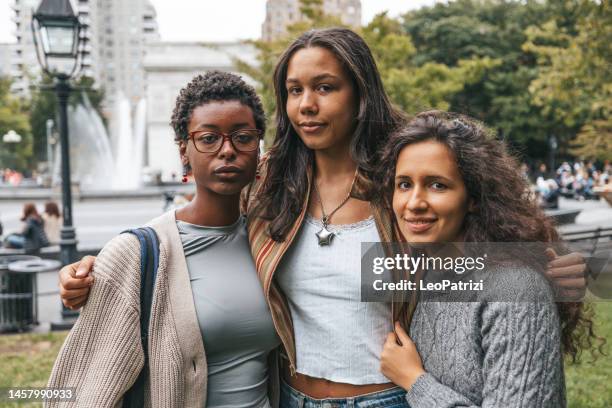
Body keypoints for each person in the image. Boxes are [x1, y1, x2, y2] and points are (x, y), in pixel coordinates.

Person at [57, 28, 588, 406]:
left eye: (325, 87)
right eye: (294, 90)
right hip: (293, 396)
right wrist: (97, 268)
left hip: (390, 397)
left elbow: (472, 248)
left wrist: (544, 269)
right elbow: (196, 223)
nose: (307, 104)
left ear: (360, 94)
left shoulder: (398, 186)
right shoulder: (268, 189)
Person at [47, 71, 280, 407]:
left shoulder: (269, 241)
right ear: (184, 151)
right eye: (209, 138)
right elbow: (80, 390)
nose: (227, 150)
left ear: (258, 149)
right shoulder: (135, 253)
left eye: (242, 137)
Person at [377, 111, 597, 407]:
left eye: (437, 185)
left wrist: (416, 382)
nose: (414, 203)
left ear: (474, 198)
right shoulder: (424, 274)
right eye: (404, 184)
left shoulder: (515, 291)